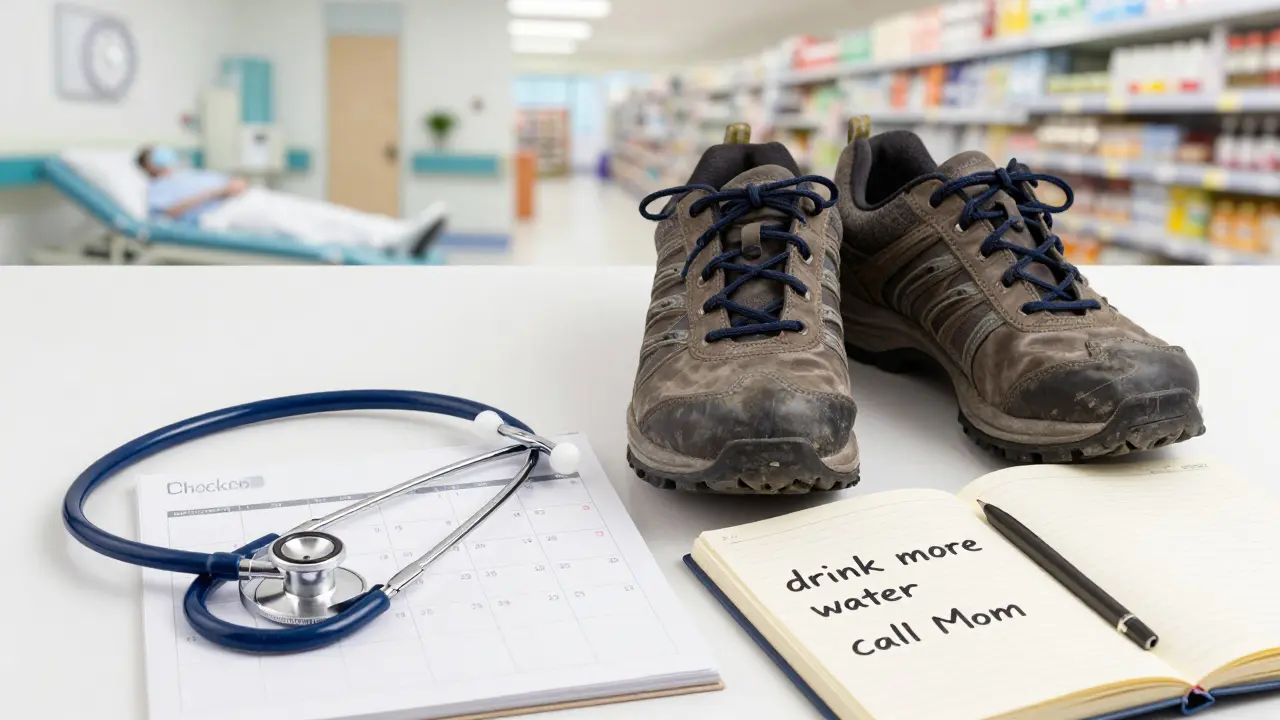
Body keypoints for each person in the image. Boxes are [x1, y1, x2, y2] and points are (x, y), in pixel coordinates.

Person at [135, 146, 445, 255]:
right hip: (222, 215)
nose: (163, 156)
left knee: (319, 213)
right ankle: (387, 239)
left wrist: (232, 185)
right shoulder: (158, 187)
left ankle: (395, 231)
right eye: (155, 155)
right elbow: (170, 213)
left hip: (244, 199)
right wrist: (218, 191)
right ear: (149, 166)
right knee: (305, 225)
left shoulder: (185, 172)